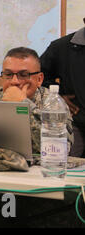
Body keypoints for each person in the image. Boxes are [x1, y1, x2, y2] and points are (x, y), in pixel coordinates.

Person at [0, 47, 82, 228]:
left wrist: (22, 105)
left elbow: (59, 149)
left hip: (40, 189)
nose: (15, 82)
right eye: (8, 75)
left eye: (24, 75)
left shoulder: (54, 104)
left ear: (39, 78)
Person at [40, 18, 85, 158]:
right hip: (77, 121)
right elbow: (39, 76)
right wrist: (58, 96)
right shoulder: (61, 47)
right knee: (63, 161)